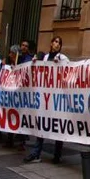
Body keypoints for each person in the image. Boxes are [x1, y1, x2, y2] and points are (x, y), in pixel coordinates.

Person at [23, 36, 70, 164]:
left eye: (59, 43)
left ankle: (57, 155)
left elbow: (69, 72)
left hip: (56, 99)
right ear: (50, 43)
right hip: (45, 99)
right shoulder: (44, 57)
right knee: (41, 124)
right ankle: (36, 153)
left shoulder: (63, 58)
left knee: (58, 127)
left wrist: (59, 65)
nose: (56, 44)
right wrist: (34, 63)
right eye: (55, 41)